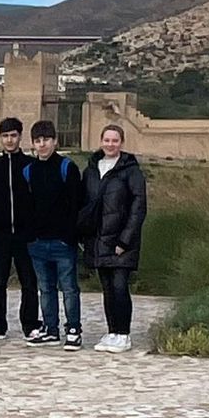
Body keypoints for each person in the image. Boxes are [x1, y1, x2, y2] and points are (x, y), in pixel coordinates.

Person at [81, 125, 148, 354]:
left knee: (120, 286)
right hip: (98, 239)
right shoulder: (91, 170)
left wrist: (125, 241)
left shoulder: (131, 171)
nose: (111, 144)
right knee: (107, 288)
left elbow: (138, 208)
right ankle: (112, 331)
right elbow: (86, 205)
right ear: (101, 141)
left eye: (115, 140)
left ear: (121, 142)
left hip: (121, 241)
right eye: (107, 140)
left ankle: (123, 333)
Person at [0, 116, 41, 342]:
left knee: (29, 282)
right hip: (1, 232)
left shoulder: (31, 166)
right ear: (0, 138)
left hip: (27, 233)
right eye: (5, 136)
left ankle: (31, 325)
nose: (10, 140)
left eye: (13, 135)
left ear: (20, 137)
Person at [23, 119, 86, 351]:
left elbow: (75, 204)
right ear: (33, 144)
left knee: (69, 287)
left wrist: (70, 235)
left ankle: (73, 329)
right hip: (37, 241)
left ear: (55, 141)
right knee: (46, 288)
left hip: (62, 240)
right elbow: (26, 206)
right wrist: (30, 236)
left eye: (46, 140)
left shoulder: (67, 167)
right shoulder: (28, 171)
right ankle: (51, 329)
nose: (42, 145)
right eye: (38, 141)